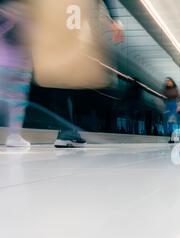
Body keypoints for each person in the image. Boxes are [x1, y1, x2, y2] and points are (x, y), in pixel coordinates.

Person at [31, 0, 124, 148]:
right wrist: (114, 20)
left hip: (63, 31)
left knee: (65, 81)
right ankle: (67, 131)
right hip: (68, 33)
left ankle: (69, 131)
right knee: (67, 81)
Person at [0, 0, 32, 147]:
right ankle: (14, 136)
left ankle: (14, 136)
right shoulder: (28, 13)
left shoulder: (5, 11)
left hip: (4, 63)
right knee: (17, 104)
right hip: (20, 66)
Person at [163, 78, 180, 143]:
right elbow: (163, 97)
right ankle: (171, 136)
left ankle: (172, 137)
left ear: (172, 82)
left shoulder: (176, 89)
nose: (168, 82)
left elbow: (179, 98)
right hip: (167, 105)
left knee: (171, 120)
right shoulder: (166, 90)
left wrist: (179, 106)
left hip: (174, 105)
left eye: (169, 81)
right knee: (168, 122)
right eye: (167, 82)